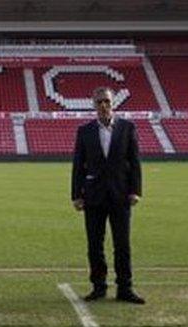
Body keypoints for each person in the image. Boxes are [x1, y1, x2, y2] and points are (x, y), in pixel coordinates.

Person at [71, 87, 145, 304]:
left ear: (113, 103)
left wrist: (136, 190)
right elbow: (78, 165)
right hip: (93, 196)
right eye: (99, 102)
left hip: (121, 195)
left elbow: (135, 162)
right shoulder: (84, 131)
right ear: (93, 105)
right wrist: (76, 194)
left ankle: (125, 288)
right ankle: (99, 286)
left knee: (122, 244)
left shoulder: (127, 128)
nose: (103, 105)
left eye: (107, 102)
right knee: (95, 245)